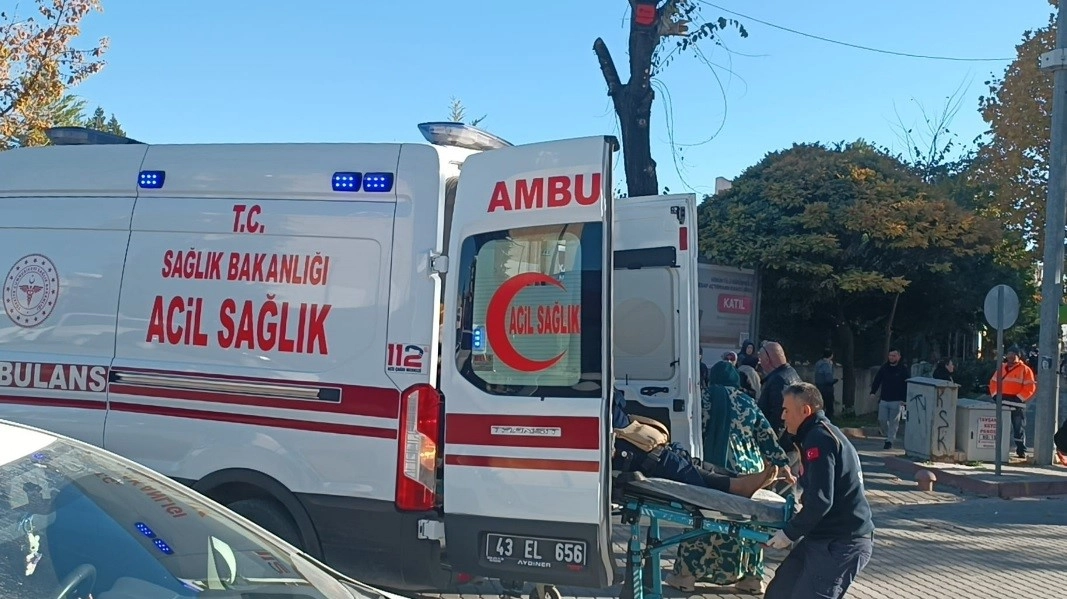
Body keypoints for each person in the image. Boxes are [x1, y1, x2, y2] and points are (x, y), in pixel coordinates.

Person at [667, 361, 793, 595]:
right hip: (749, 470)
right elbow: (766, 437)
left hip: (715, 471)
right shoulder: (748, 402)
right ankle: (751, 579)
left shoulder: (702, 399)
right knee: (748, 524)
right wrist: (782, 464)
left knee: (701, 519)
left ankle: (686, 577)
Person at [764, 383, 875, 599]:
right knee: (779, 592)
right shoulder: (814, 435)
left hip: (841, 541)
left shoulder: (819, 439)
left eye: (786, 410)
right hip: (822, 536)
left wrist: (789, 533)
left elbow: (821, 500)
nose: (782, 416)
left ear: (805, 410)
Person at [610, 389, 779, 498]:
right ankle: (736, 486)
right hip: (631, 450)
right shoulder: (747, 400)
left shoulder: (707, 395)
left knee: (687, 460)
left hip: (635, 442)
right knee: (675, 464)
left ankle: (738, 478)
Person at [988, 345, 1036, 459]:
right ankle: (999, 450)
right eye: (1009, 354)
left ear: (1018, 356)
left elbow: (1030, 387)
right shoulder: (1001, 368)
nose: (1010, 357)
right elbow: (993, 382)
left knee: (1018, 428)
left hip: (1017, 404)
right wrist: (995, 395)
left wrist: (1019, 397)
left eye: (1013, 354)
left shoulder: (1025, 370)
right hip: (1002, 401)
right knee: (1000, 427)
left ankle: (1021, 450)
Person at [756, 341, 801, 432]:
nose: (759, 363)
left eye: (760, 359)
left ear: (767, 360)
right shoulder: (791, 372)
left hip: (776, 435)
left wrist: (771, 438)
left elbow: (779, 416)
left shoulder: (778, 380)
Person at [869, 349, 908, 450]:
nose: (891, 357)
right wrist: (873, 392)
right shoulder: (884, 368)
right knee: (882, 420)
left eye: (894, 356)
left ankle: (890, 440)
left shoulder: (903, 369)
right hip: (884, 399)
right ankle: (887, 435)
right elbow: (877, 380)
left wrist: (904, 399)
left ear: (899, 357)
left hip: (897, 400)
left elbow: (906, 384)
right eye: (890, 355)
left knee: (894, 422)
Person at [813, 349, 837, 421]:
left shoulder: (818, 363)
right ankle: (827, 421)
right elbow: (828, 377)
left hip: (818, 387)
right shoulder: (827, 364)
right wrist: (834, 381)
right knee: (829, 407)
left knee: (820, 406)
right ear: (831, 355)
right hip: (827, 388)